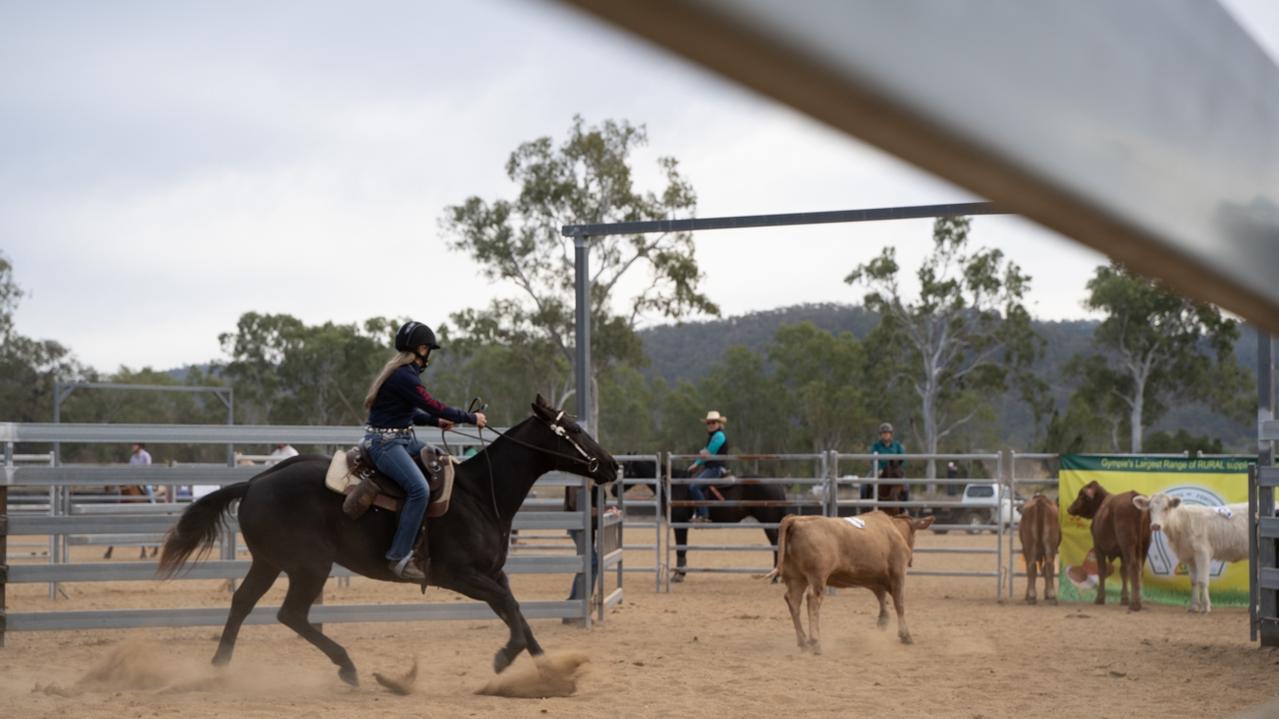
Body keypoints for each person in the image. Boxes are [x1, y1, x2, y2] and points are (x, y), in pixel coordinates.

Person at [363, 320, 486, 581]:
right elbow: (434, 405)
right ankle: (398, 557)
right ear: (421, 349)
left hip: (402, 439)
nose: (429, 354)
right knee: (418, 490)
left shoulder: (400, 374)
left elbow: (411, 413)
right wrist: (470, 418)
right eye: (429, 349)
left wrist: (436, 422)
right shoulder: (405, 377)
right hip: (386, 445)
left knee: (443, 460)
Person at [686, 411, 729, 522]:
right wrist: (701, 457)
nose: (710, 424)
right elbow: (705, 454)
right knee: (696, 484)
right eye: (708, 423)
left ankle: (704, 515)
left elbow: (708, 453)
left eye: (713, 422)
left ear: (719, 424)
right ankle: (697, 514)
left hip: (715, 468)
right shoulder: (714, 436)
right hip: (711, 467)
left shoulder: (718, 436)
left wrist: (696, 463)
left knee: (694, 487)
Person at [863, 422, 907, 510]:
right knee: (865, 484)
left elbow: (903, 458)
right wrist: (879, 468)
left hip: (894, 471)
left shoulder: (897, 445)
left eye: (887, 433)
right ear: (880, 435)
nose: (885, 435)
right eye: (883, 433)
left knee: (906, 486)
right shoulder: (876, 446)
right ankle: (865, 507)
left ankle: (904, 508)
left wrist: (898, 467)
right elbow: (872, 457)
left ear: (891, 434)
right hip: (879, 470)